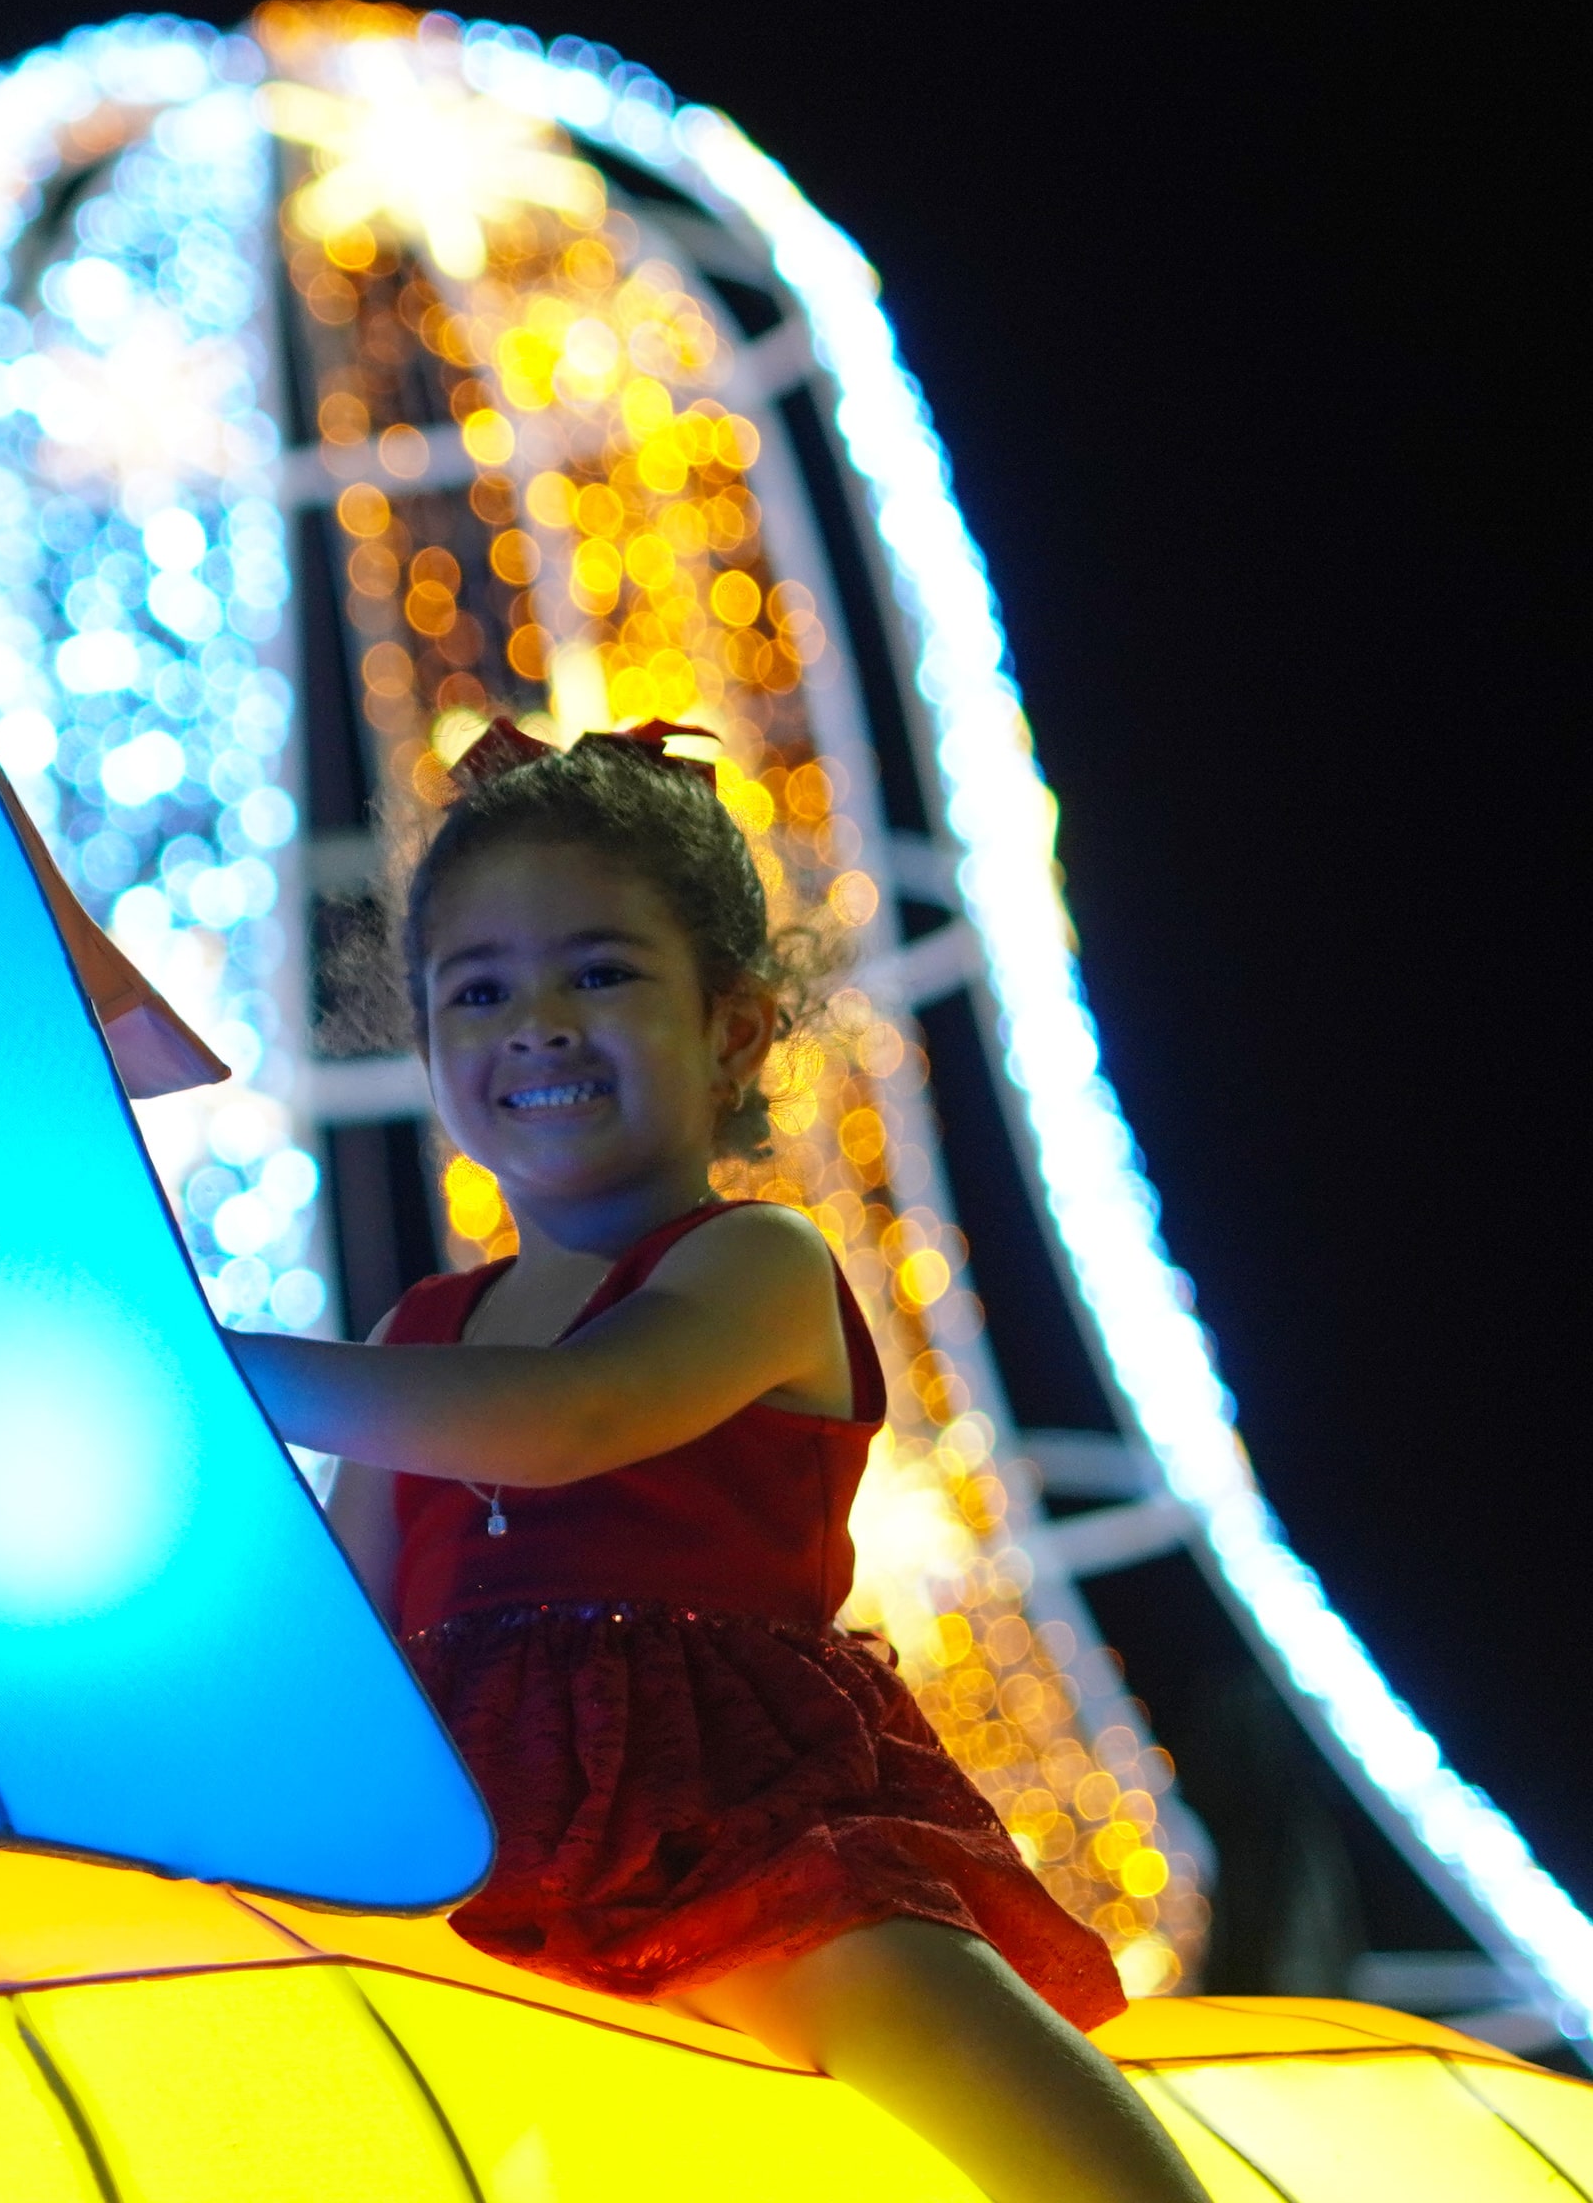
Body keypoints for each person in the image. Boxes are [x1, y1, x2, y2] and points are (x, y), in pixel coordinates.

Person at [227, 719, 1203, 2203]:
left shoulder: (752, 1262)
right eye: (479, 991)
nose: (538, 1022)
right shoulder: (420, 1330)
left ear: (734, 1032)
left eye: (600, 973)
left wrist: (207, 1362)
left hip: (740, 1838)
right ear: (428, 1051)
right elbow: (347, 1629)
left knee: (1020, 2119)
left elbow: (572, 1419)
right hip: (469, 1866)